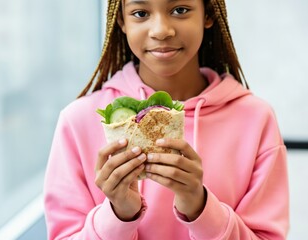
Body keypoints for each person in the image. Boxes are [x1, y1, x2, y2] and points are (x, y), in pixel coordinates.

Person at [44, 0, 289, 239]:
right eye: (140, 13)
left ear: (208, 14)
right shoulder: (77, 121)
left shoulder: (256, 120)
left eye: (180, 9)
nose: (161, 30)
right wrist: (118, 215)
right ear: (121, 20)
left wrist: (201, 209)